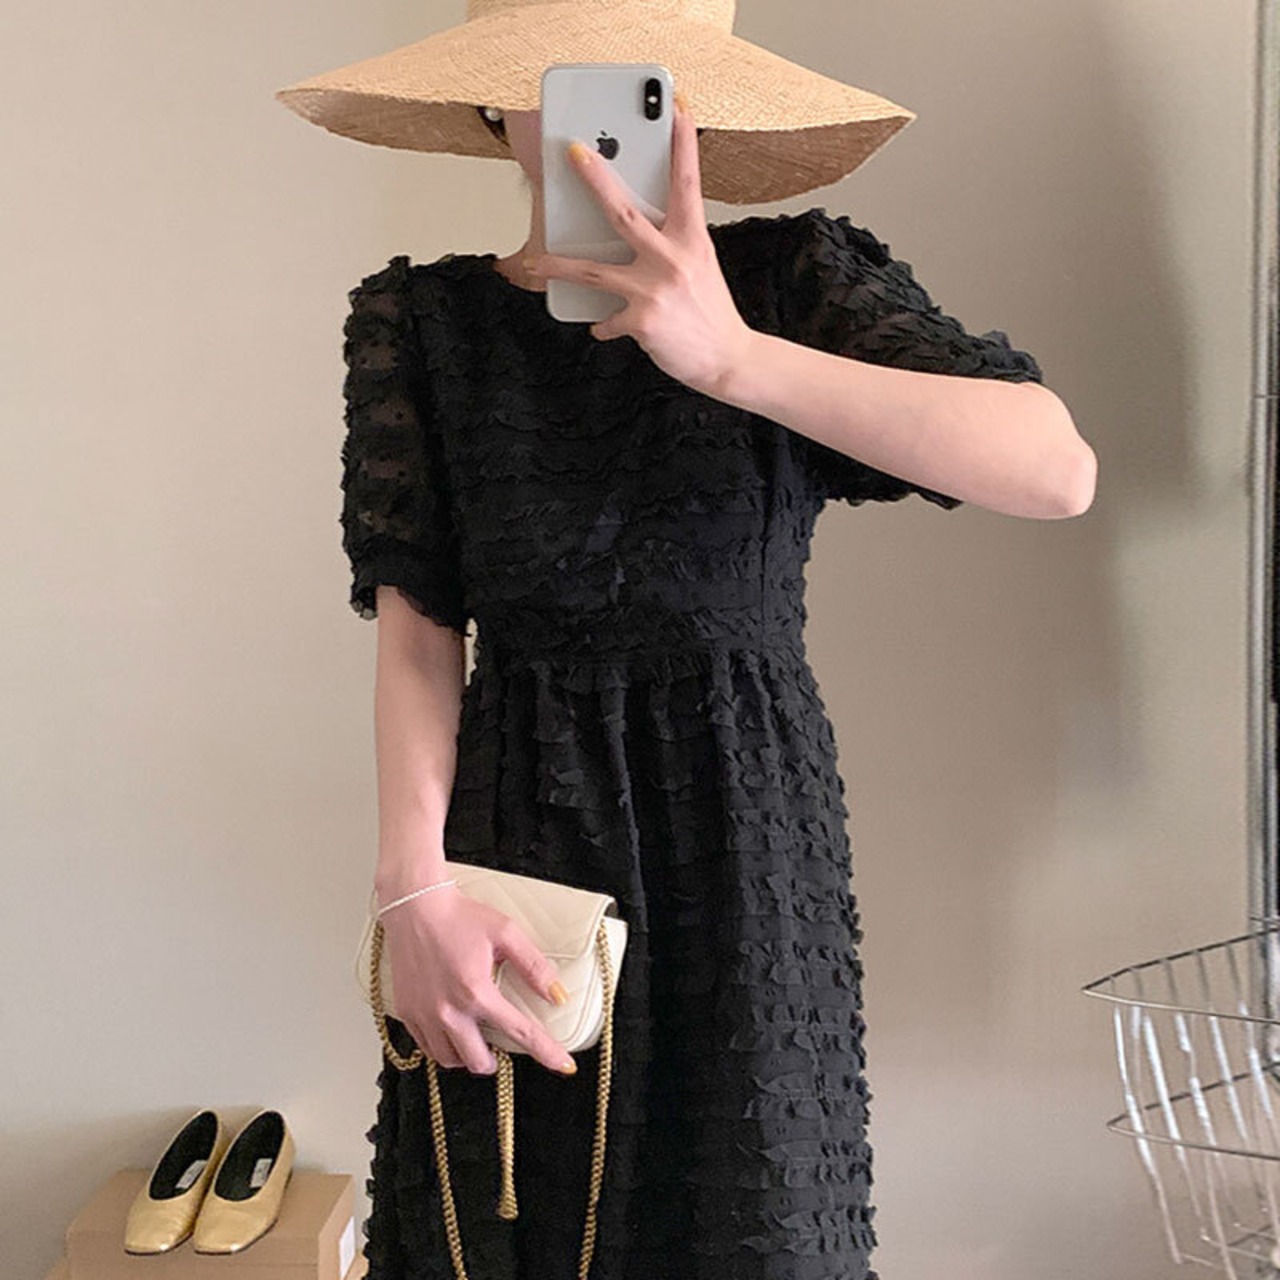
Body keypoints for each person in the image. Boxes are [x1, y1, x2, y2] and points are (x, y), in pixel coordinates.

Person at [276, 5, 1095, 1278]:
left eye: (645, 84)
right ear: (496, 106)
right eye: (566, 79)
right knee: (506, 1217)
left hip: (747, 843)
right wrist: (410, 888)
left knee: (753, 1221)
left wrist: (732, 357)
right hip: (512, 836)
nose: (604, 121)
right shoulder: (422, 322)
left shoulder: (788, 279)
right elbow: (420, 628)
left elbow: (1052, 469)